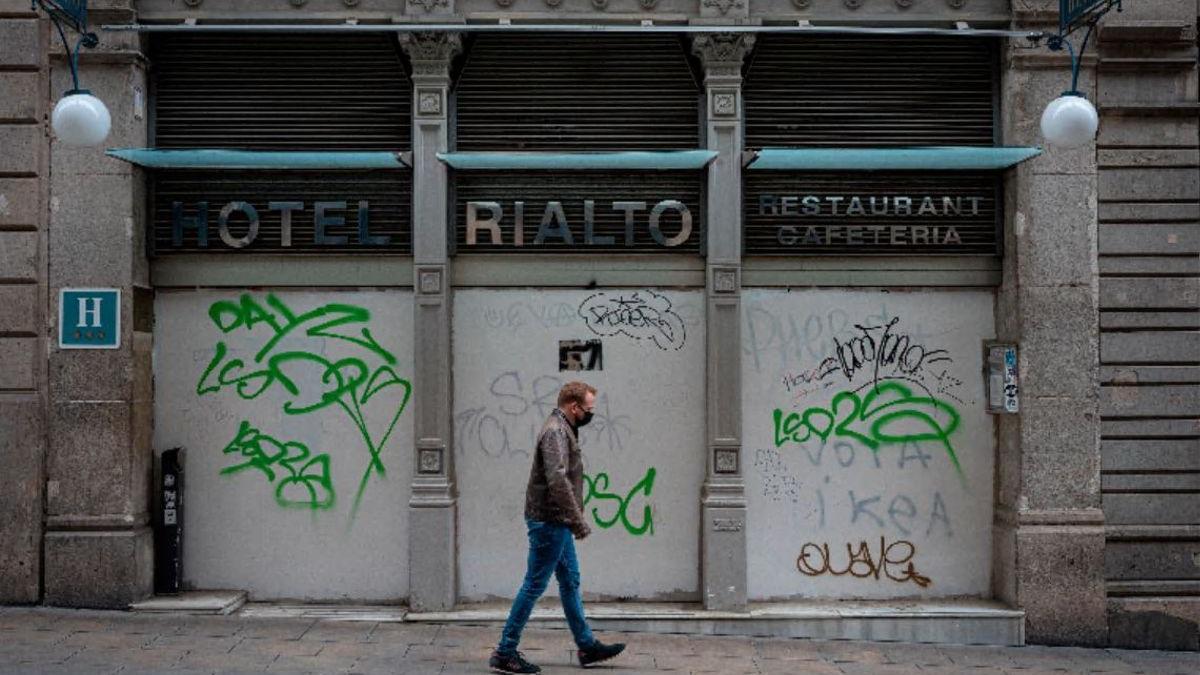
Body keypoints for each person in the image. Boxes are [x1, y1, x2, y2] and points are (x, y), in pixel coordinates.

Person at [489, 381, 626, 674]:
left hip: (557, 521)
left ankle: (587, 646)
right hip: (550, 521)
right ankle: (505, 651)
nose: (591, 414)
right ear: (573, 407)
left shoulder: (564, 428)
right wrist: (577, 520)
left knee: (570, 580)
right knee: (534, 585)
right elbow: (557, 480)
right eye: (588, 409)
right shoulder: (555, 431)